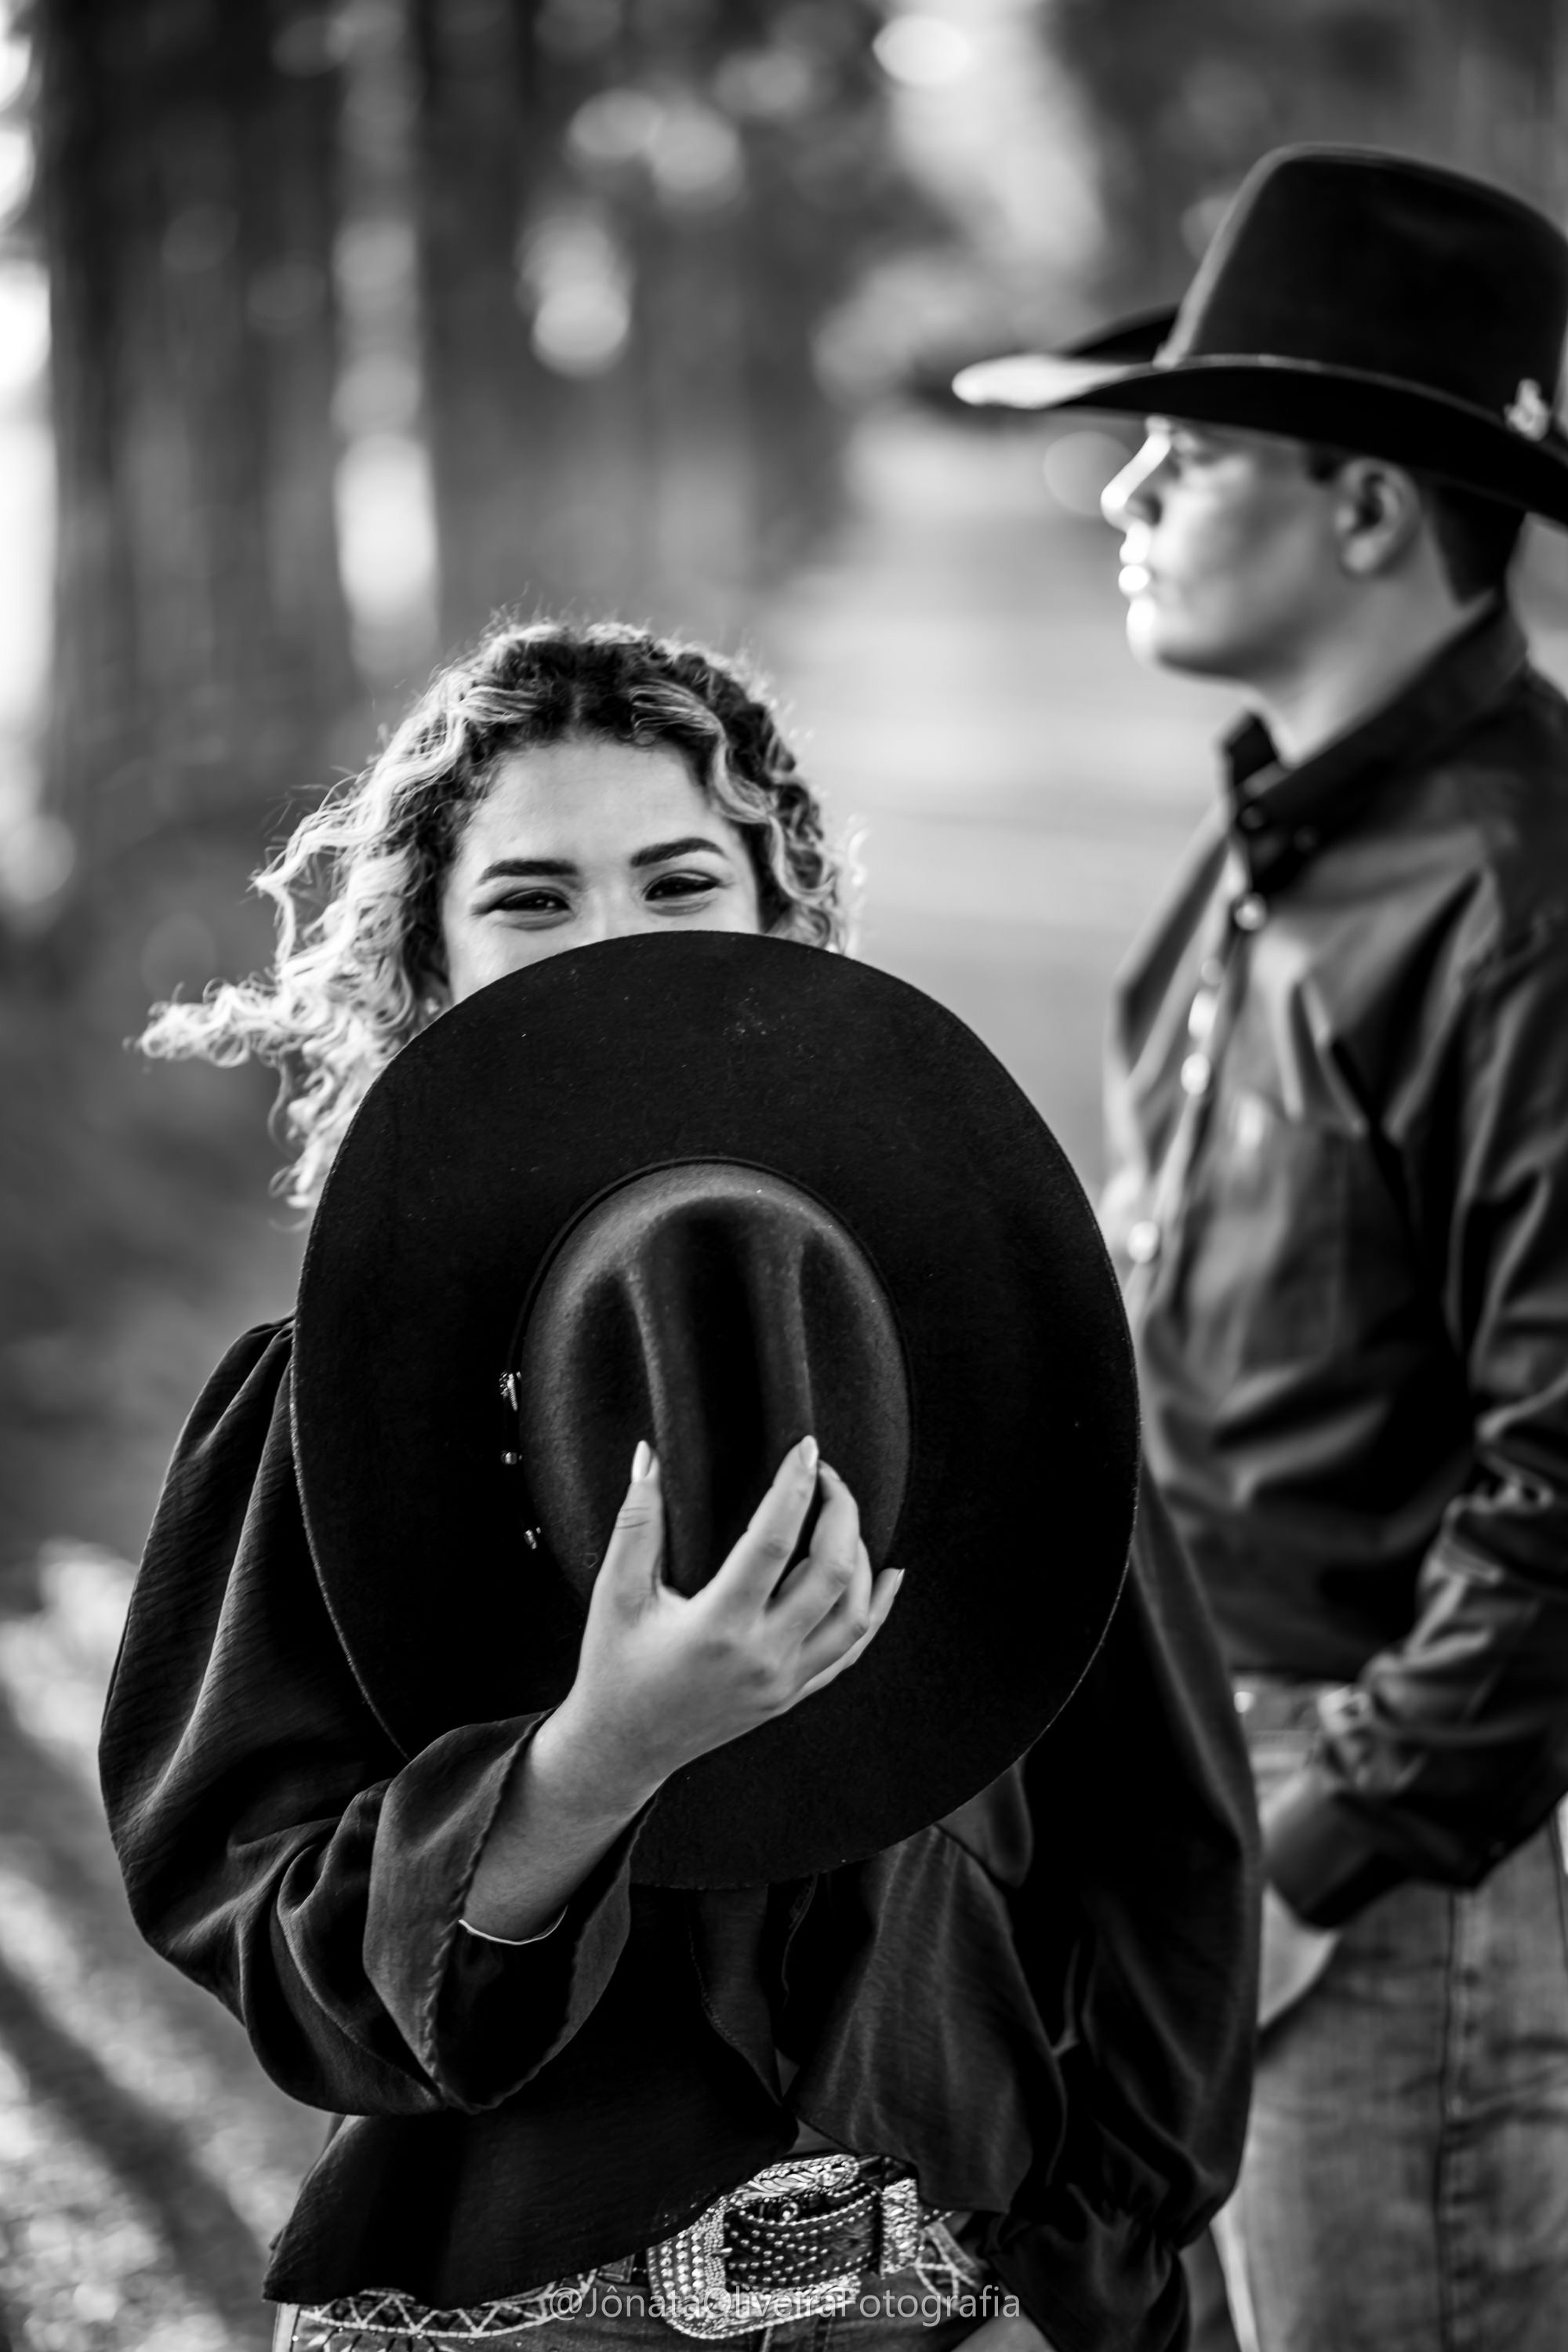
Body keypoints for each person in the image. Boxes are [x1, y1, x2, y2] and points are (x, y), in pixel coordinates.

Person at [103, 620, 1257, 2352]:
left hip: (948, 2287)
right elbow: (273, 1935)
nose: (610, 953)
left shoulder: (991, 1373)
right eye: (534, 901)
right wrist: (595, 1761)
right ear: (424, 960)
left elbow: (1165, 1849)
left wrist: (1081, 2273)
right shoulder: (320, 1416)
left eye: (675, 882)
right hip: (509, 2301)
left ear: (782, 928)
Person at [956, 147, 1568, 2350]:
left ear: (1374, 509)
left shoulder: (1517, 891)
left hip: (1376, 1863)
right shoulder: (1282, 850)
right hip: (1226, 1788)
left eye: (1188, 451)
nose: (1124, 493)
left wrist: (1322, 1856)